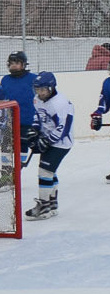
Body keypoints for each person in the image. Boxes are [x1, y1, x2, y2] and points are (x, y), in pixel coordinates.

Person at [25, 72, 74, 220]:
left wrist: (47, 141)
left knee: (44, 171)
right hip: (49, 138)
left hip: (61, 142)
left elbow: (64, 128)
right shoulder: (37, 99)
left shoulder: (60, 103)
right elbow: (37, 116)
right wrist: (34, 130)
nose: (40, 93)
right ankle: (52, 203)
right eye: (37, 89)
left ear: (51, 88)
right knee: (49, 171)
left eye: (43, 90)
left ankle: (44, 206)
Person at [1, 51, 39, 160]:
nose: (14, 65)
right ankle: (6, 174)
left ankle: (17, 173)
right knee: (5, 146)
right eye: (12, 62)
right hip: (9, 121)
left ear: (23, 64)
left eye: (17, 62)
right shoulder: (5, 80)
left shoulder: (33, 79)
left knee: (22, 146)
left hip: (27, 121)